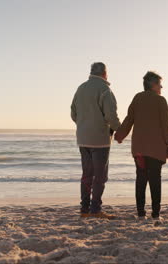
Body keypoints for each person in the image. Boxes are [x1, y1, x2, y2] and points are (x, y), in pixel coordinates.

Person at [114, 71, 168, 221]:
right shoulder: (160, 101)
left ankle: (141, 214)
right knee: (155, 180)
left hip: (139, 149)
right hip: (155, 149)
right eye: (160, 84)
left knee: (141, 179)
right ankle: (155, 214)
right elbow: (166, 125)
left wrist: (120, 135)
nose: (161, 87)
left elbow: (129, 119)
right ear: (153, 85)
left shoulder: (137, 98)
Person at [71, 62, 121, 219]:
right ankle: (95, 209)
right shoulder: (105, 90)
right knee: (100, 177)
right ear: (105, 74)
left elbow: (73, 113)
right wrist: (120, 130)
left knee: (87, 175)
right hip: (100, 139)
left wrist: (83, 125)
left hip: (83, 138)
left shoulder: (81, 88)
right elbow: (111, 116)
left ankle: (84, 209)